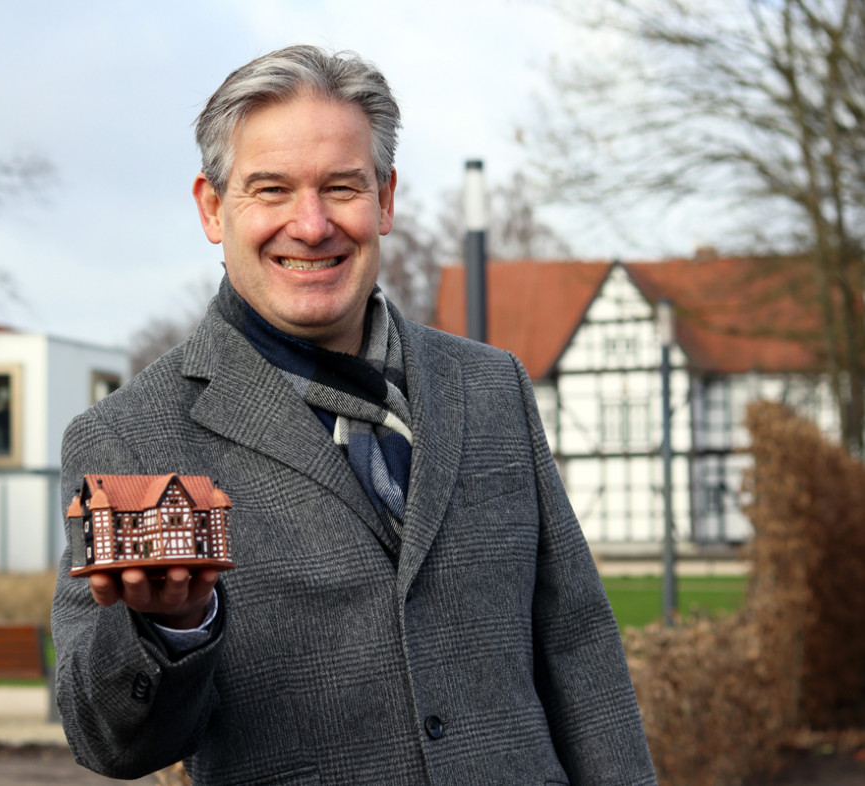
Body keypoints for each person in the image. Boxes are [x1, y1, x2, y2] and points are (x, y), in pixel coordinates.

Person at [51, 45, 657, 785]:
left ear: (386, 199)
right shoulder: (129, 435)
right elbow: (108, 742)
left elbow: (579, 649)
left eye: (341, 186)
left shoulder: (491, 386)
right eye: (270, 190)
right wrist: (170, 627)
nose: (311, 226)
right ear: (213, 209)